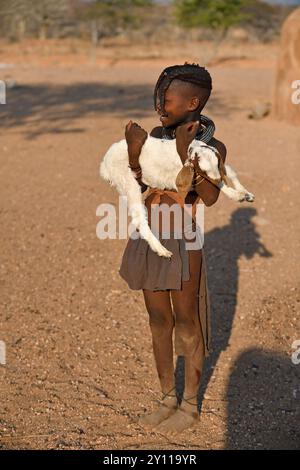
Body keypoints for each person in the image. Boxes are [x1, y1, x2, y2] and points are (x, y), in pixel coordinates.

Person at [119, 63, 227, 434]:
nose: (159, 105)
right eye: (158, 98)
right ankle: (167, 397)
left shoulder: (211, 145)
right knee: (157, 320)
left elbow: (210, 197)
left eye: (166, 99)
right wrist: (135, 153)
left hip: (184, 235)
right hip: (149, 232)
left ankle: (191, 404)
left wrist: (186, 152)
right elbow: (138, 182)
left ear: (193, 101)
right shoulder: (153, 135)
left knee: (186, 320)